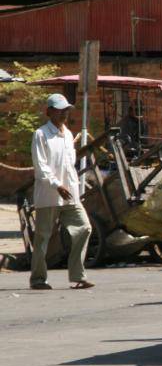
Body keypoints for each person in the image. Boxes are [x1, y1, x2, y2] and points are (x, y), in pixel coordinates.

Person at [29, 94, 94, 290]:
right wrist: (57, 185)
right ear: (48, 111)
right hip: (49, 195)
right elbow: (41, 167)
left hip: (70, 194)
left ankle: (78, 276)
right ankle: (38, 279)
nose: (63, 113)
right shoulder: (41, 134)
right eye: (59, 109)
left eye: (65, 109)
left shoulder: (67, 134)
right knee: (43, 238)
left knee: (84, 228)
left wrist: (74, 188)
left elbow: (69, 166)